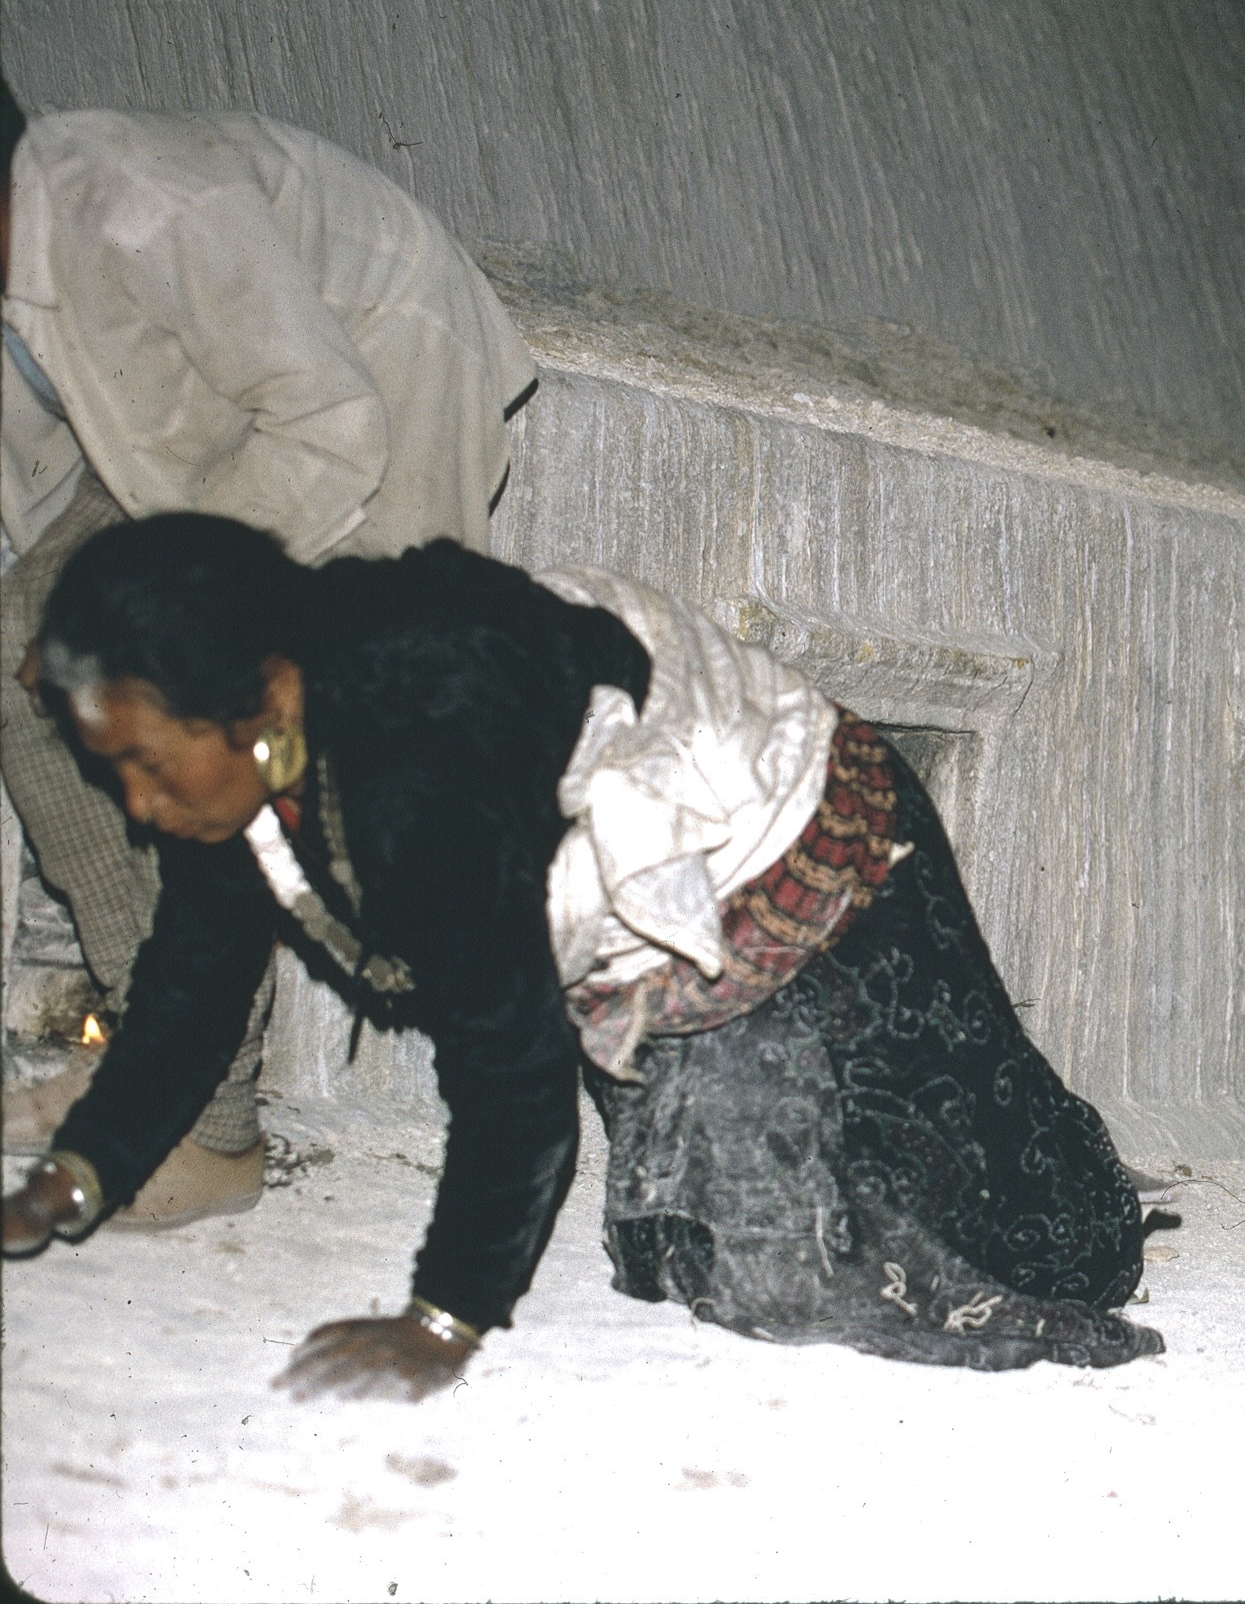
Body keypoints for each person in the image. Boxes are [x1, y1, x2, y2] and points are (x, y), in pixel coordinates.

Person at [0, 516, 1158, 1396]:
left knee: (874, 1260)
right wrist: (77, 1174)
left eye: (148, 763)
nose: (138, 805)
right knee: (685, 1259)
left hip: (811, 852)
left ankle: (1087, 1190)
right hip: (658, 923)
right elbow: (191, 985)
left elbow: (512, 1071)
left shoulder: (419, 759)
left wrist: (445, 1318)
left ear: (259, 699)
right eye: (116, 772)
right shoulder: (249, 763)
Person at [2, 102, 539, 1226]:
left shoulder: (144, 212)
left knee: (255, 737)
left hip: (382, 377)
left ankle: (210, 1132)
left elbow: (331, 423)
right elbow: (37, 497)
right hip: (223, 438)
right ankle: (147, 1060)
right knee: (31, 656)